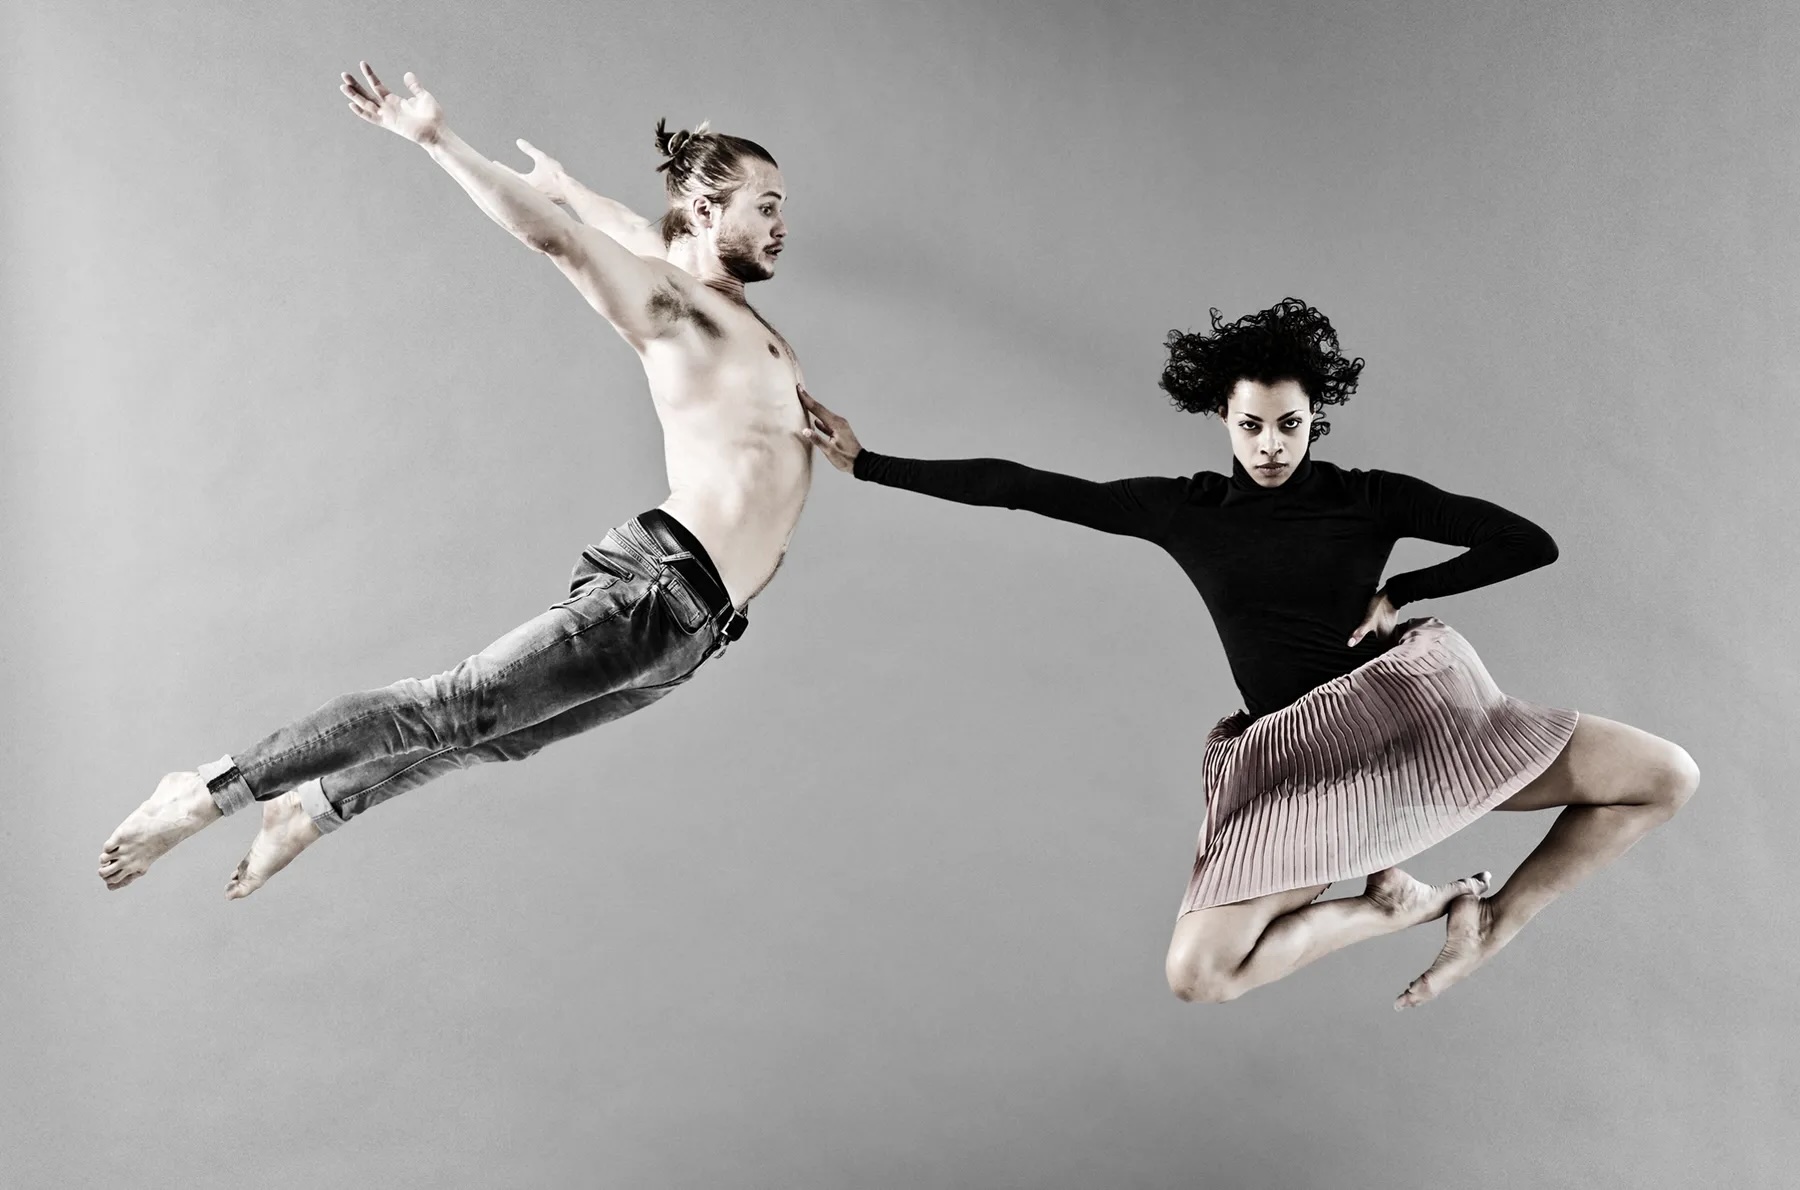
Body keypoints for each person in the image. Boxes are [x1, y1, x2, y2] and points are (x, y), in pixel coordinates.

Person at [797, 298, 1699, 1010]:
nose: (1271, 446)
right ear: (1221, 417)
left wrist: (1404, 591)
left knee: (1665, 776)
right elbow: (1024, 487)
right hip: (1300, 769)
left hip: (1415, 725)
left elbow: (1527, 541)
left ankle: (1493, 922)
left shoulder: (1367, 496)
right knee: (1198, 974)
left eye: (1290, 425)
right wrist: (871, 463)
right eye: (1252, 426)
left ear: (1316, 419)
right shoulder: (1183, 509)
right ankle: (1388, 905)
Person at [98, 62, 812, 900]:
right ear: (708, 211)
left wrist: (571, 187)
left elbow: (629, 227)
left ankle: (312, 807)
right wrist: (438, 139)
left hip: (698, 630)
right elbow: (561, 240)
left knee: (498, 735)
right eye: (767, 206)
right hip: (660, 591)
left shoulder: (716, 298)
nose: (782, 226)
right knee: (453, 705)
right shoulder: (674, 305)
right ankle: (206, 790)